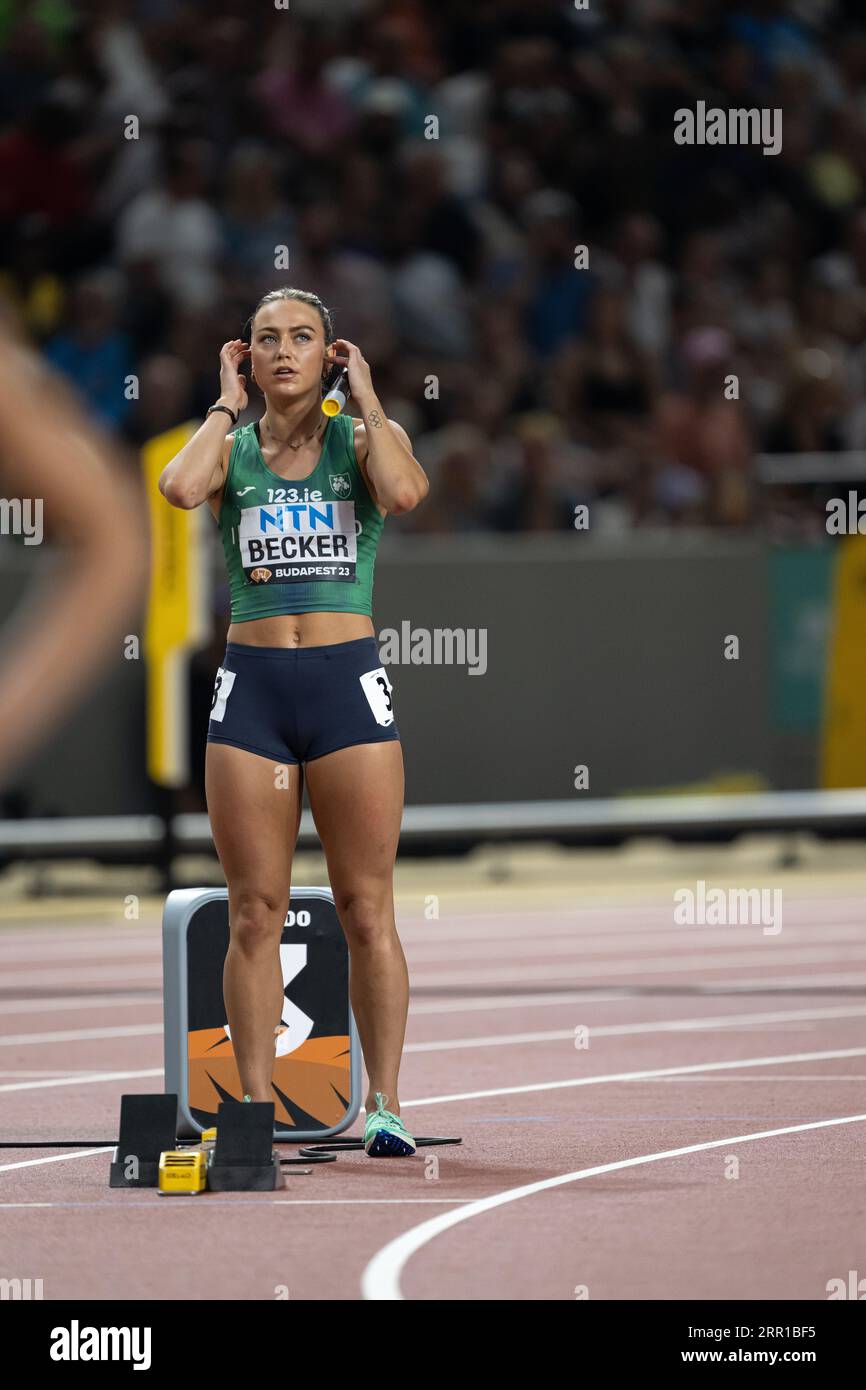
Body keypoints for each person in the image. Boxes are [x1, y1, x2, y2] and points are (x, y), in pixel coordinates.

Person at [158, 286, 429, 1156]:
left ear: (331, 354)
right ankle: (251, 1111)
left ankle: (384, 1105)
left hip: (347, 687)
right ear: (244, 356)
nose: (283, 352)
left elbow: (407, 492)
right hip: (255, 693)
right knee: (253, 911)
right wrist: (223, 403)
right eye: (265, 340)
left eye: (302, 338)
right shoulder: (228, 450)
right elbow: (177, 486)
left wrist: (373, 399)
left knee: (365, 907)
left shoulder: (360, 443)